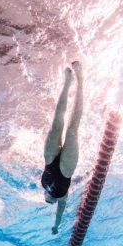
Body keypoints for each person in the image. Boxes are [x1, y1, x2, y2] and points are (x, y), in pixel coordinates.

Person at [41, 61, 84, 234]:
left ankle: (67, 84)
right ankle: (80, 80)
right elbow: (60, 213)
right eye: (50, 201)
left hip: (50, 160)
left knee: (56, 124)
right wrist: (56, 226)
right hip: (66, 170)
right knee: (73, 128)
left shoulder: (44, 184)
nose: (49, 200)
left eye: (46, 200)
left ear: (44, 196)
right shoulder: (62, 198)